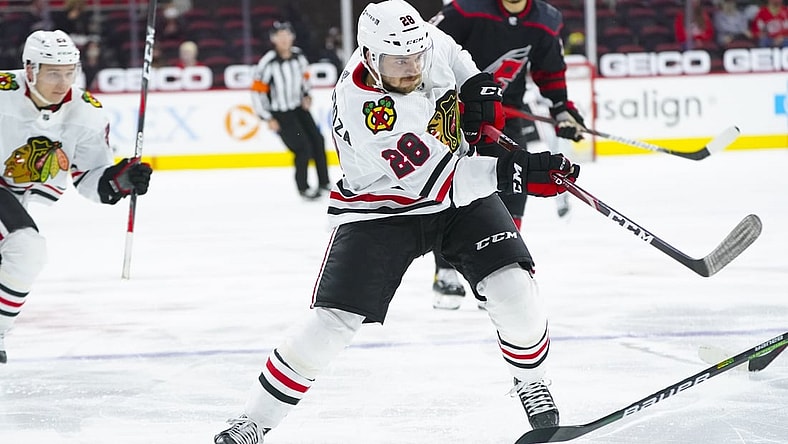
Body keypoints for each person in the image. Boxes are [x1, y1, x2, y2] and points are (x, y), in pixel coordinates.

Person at [214, 1, 580, 442]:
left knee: (513, 289)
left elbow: (452, 51)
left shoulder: (419, 42)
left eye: (416, 57)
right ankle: (254, 420)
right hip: (386, 210)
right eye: (398, 62)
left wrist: (476, 85)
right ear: (370, 56)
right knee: (332, 321)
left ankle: (530, 379)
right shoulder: (364, 107)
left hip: (456, 193)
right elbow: (438, 181)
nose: (411, 69)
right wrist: (516, 171)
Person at [0, 30, 152, 364]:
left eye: (70, 71)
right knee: (26, 246)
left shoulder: (87, 113)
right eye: (53, 72)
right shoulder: (1, 92)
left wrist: (121, 179)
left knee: (26, 252)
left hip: (10, 198)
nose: (63, 81)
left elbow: (90, 180)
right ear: (30, 69)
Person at [427, 0, 587, 310]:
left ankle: (498, 268)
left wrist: (562, 109)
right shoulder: (464, 10)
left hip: (506, 114)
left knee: (514, 184)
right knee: (454, 188)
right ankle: (445, 270)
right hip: (455, 114)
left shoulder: (545, 19)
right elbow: (426, 50)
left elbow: (549, 69)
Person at [251, 20, 330, 200]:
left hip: (298, 108)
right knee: (302, 148)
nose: (284, 39)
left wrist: (307, 95)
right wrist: (267, 117)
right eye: (280, 36)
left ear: (292, 37)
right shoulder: (268, 63)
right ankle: (303, 187)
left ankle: (324, 182)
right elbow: (257, 91)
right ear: (273, 39)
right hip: (281, 112)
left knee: (318, 140)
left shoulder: (299, 57)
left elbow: (305, 79)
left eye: (287, 35)